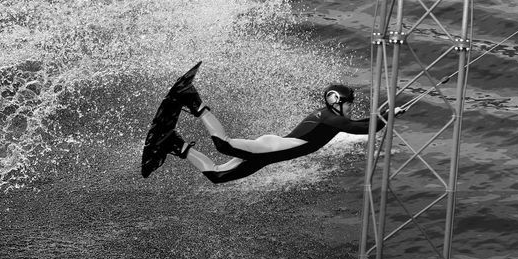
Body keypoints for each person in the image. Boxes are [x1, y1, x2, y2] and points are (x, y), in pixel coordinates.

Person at [159, 84, 405, 183]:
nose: (352, 107)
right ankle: (194, 103)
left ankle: (176, 145)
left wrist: (386, 112)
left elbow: (365, 123)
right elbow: (364, 129)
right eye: (349, 103)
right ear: (336, 102)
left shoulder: (331, 117)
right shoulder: (332, 118)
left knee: (217, 177)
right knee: (223, 145)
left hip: (267, 154)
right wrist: (386, 116)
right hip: (269, 149)